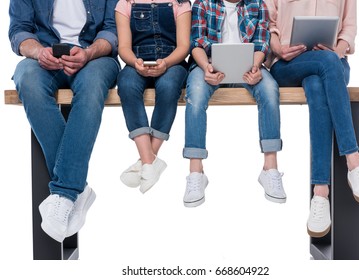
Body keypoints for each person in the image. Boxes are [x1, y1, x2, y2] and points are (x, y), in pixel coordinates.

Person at [264, 0, 359, 238]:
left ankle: (320, 192)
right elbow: (267, 22)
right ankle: (354, 162)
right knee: (325, 67)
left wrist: (337, 51)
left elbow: (349, 26)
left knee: (318, 85)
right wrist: (278, 49)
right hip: (287, 63)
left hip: (332, 60)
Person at [8, 0, 120, 242]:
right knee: (26, 79)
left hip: (95, 58)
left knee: (91, 88)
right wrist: (39, 51)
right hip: (45, 58)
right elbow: (19, 30)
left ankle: (65, 191)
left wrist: (89, 52)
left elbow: (112, 30)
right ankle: (74, 189)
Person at [183, 0, 285, 207]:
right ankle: (196, 172)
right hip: (208, 65)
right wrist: (205, 67)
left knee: (269, 90)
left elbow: (262, 42)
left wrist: (256, 67)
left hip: (248, 66)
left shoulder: (258, 4)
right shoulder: (203, 3)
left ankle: (270, 168)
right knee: (195, 94)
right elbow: (196, 43)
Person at [115, 0, 191, 193]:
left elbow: (184, 46)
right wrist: (135, 62)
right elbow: (123, 47)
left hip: (172, 62)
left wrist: (165, 63)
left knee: (168, 86)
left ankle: (147, 159)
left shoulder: (180, 4)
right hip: (137, 62)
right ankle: (150, 161)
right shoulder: (125, 4)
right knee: (126, 84)